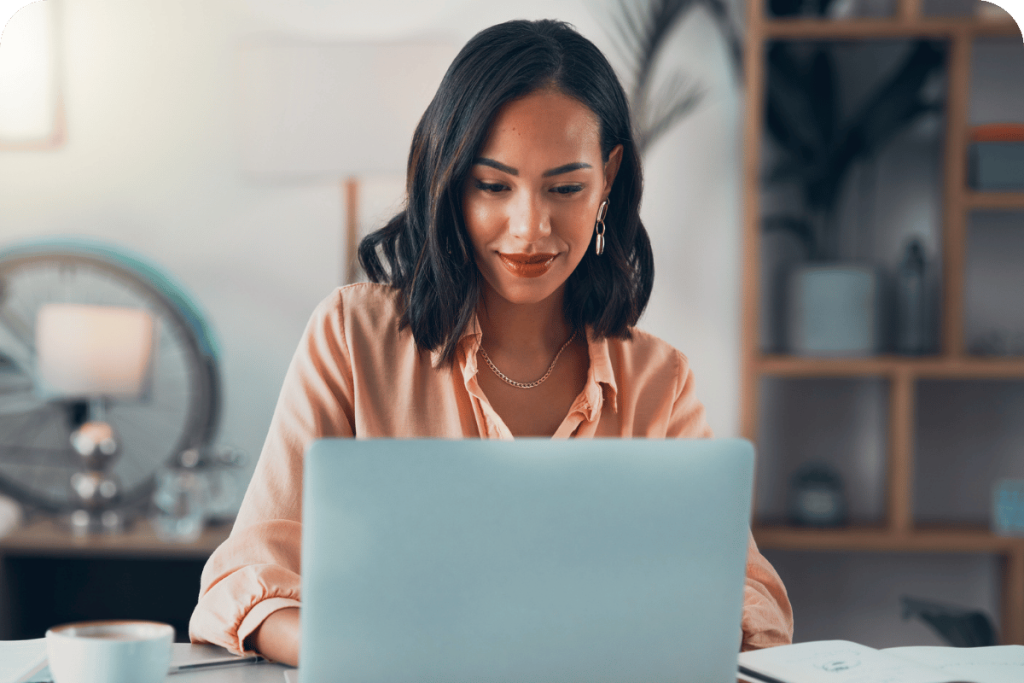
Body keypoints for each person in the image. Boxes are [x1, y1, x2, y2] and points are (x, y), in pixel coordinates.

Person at [189, 18, 793, 666]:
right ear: (449, 180)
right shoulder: (350, 337)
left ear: (609, 178)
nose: (530, 227)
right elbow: (244, 581)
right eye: (493, 185)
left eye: (565, 187)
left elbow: (748, 598)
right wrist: (358, 653)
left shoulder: (657, 381)